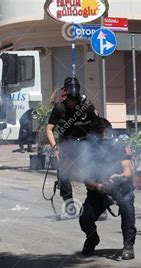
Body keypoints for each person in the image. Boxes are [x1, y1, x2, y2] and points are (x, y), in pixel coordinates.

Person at [79, 118, 136, 260]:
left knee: (127, 208)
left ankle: (128, 245)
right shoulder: (87, 148)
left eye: (106, 132)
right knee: (85, 219)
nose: (104, 136)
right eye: (100, 133)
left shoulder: (120, 144)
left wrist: (119, 177)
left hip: (121, 187)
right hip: (99, 189)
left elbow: (128, 170)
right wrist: (98, 186)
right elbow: (86, 179)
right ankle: (92, 239)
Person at [46, 77, 100, 207]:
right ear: (65, 91)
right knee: (63, 174)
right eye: (70, 88)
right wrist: (55, 148)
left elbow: (99, 124)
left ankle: (97, 204)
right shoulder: (59, 108)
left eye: (75, 88)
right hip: (67, 145)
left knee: (92, 173)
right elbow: (49, 129)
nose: (73, 91)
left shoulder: (86, 105)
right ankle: (69, 205)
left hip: (85, 144)